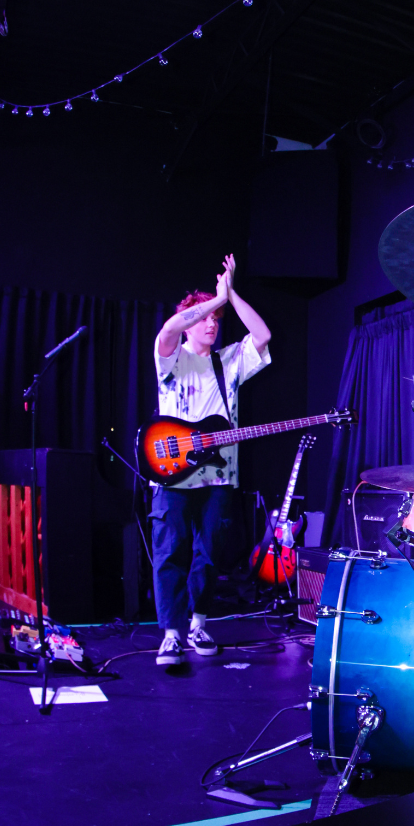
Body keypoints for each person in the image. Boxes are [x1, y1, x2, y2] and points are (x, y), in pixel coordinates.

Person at [149, 254, 272, 665]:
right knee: (171, 552)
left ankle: (198, 623)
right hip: (173, 475)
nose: (212, 324)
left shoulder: (229, 360)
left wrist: (230, 295)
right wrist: (213, 299)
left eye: (217, 319)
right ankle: (171, 634)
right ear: (191, 321)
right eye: (205, 318)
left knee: (210, 553)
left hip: (218, 477)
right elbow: (169, 329)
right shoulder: (172, 356)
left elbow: (263, 333)